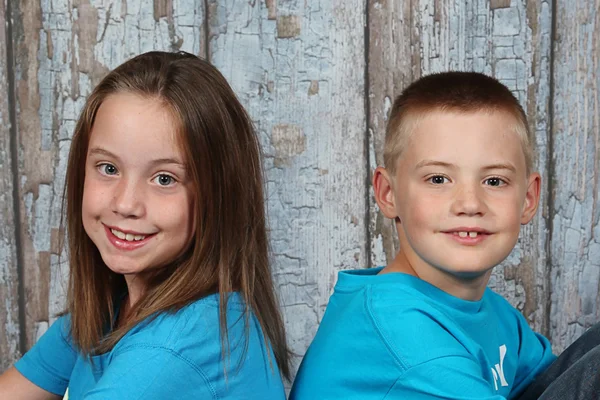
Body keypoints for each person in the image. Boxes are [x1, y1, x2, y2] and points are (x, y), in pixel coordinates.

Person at [290, 72, 600, 399]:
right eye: (438, 179)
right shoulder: (399, 332)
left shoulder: (494, 315)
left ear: (528, 199)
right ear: (388, 193)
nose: (469, 203)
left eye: (494, 181)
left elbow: (553, 385)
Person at [0, 51, 289, 399]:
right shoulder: (111, 312)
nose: (125, 204)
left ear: (220, 196)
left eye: (164, 178)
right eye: (108, 168)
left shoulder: (177, 349)